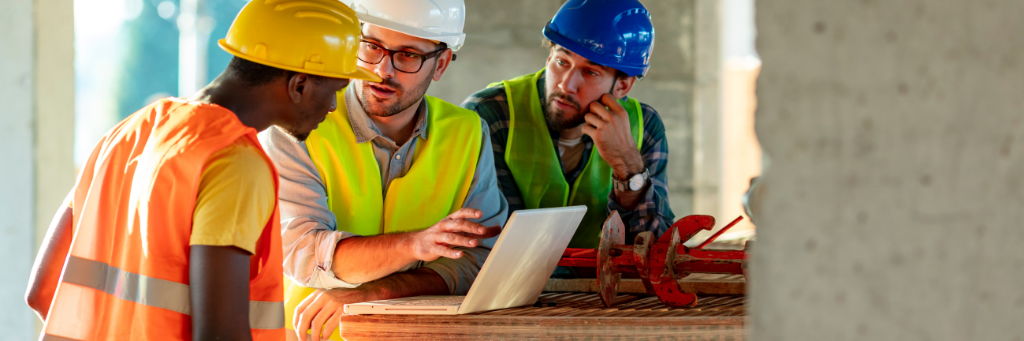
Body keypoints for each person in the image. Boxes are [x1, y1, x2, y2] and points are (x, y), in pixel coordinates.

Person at [23, 1, 379, 339]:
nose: (334, 106)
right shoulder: (234, 161)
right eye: (336, 88)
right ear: (299, 84)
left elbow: (43, 292)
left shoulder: (126, 134)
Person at [257, 0, 508, 339]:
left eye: (408, 55)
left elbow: (479, 260)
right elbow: (304, 255)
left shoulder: (466, 132)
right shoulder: (296, 126)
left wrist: (375, 292)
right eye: (372, 47)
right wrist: (413, 246)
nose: (382, 70)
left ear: (441, 64)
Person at [462, 0, 674, 258]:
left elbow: (654, 252)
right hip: (512, 291)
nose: (566, 85)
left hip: (603, 293)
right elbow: (493, 241)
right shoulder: (490, 114)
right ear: (549, 55)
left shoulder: (645, 127)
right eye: (562, 62)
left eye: (590, 72)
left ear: (622, 86)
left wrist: (628, 165)